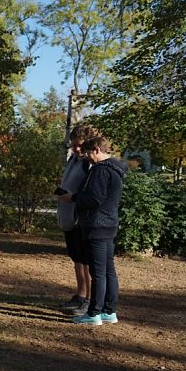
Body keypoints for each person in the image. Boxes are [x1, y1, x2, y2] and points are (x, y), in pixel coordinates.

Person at [58, 136, 127, 326]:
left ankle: (94, 313)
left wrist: (74, 198)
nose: (87, 157)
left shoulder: (101, 170)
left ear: (97, 150)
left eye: (88, 153)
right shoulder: (115, 169)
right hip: (109, 224)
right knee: (108, 271)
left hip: (96, 225)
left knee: (98, 272)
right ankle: (109, 311)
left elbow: (94, 199)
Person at [56, 125, 97, 315]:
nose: (76, 149)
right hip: (68, 216)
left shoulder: (90, 163)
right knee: (76, 259)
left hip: (80, 217)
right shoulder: (73, 159)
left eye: (80, 146)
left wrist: (74, 198)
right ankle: (80, 295)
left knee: (85, 260)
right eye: (73, 146)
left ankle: (87, 299)